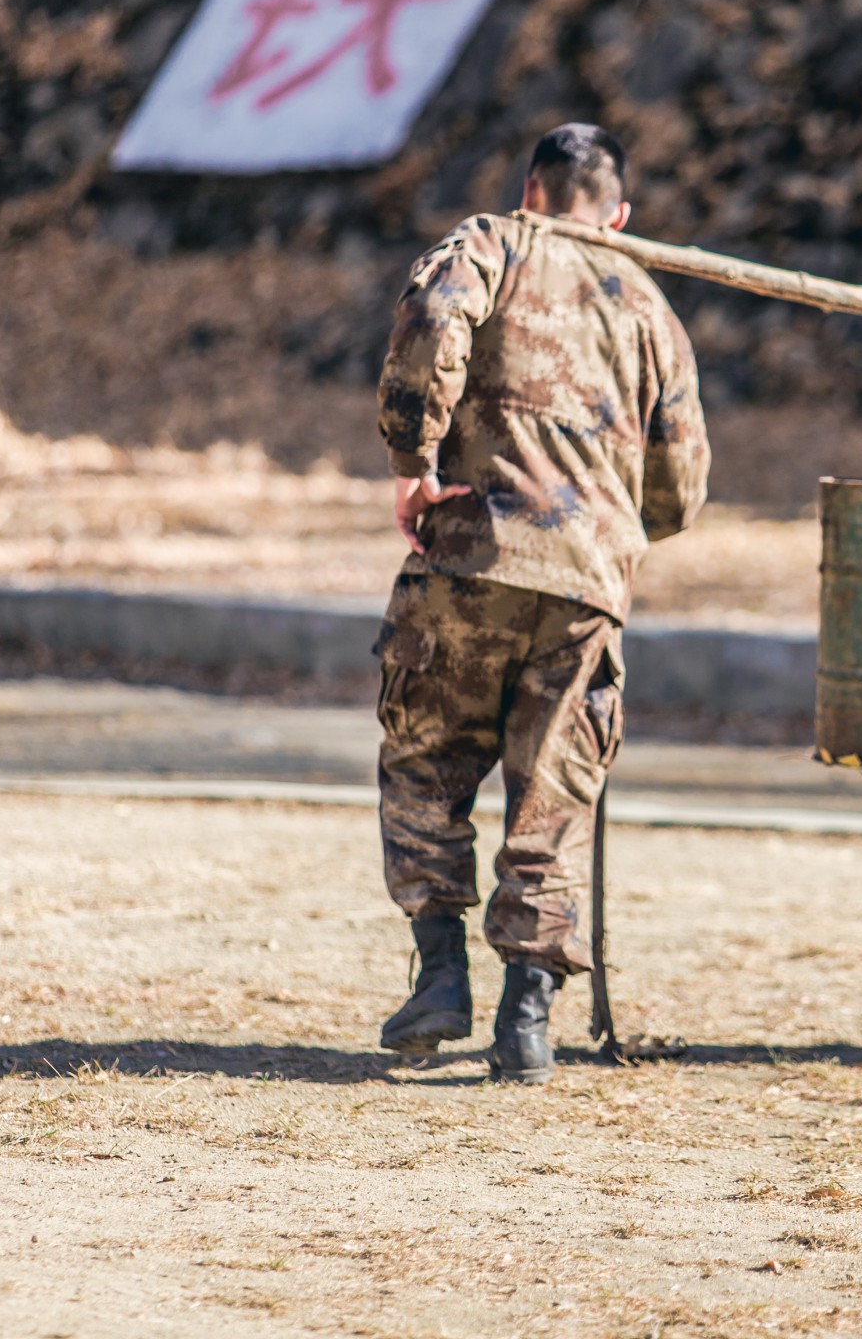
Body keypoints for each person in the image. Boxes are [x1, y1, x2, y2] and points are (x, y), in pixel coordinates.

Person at [370, 122, 709, 1083]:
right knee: (553, 793)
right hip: (586, 590)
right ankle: (527, 1018)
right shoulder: (650, 303)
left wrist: (414, 460)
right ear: (621, 215)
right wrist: (604, 529)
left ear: (531, 189)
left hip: (470, 557)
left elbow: (436, 322)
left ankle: (440, 976)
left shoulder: (491, 243)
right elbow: (681, 486)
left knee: (426, 763)